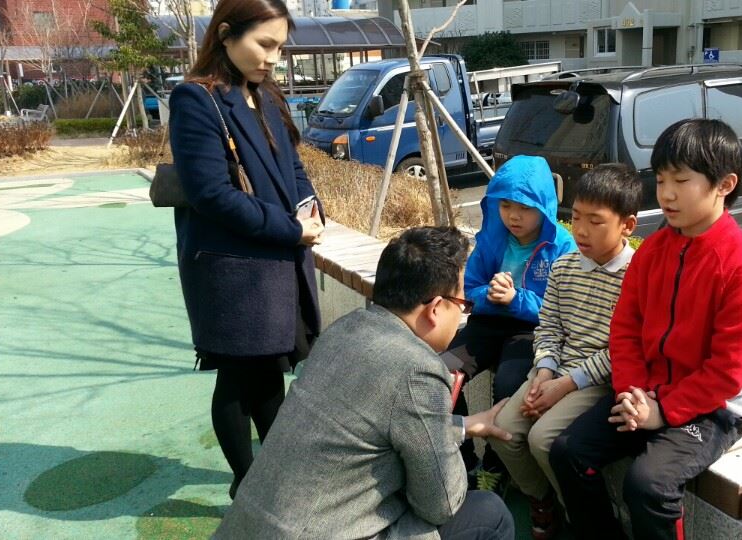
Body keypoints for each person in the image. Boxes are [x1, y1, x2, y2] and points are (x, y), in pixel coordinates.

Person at [549, 119, 742, 540]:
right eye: (660, 179)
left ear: (724, 185)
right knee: (568, 451)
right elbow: (626, 330)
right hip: (647, 389)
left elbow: (729, 371)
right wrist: (631, 392)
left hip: (714, 408)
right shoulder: (653, 250)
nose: (666, 193)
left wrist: (664, 411)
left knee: (648, 484)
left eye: (681, 180)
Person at [213, 227, 515, 540]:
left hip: (249, 529)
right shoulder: (419, 369)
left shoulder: (343, 330)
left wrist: (462, 426)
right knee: (488, 512)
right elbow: (442, 504)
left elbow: (361, 430)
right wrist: (447, 446)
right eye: (463, 303)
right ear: (436, 308)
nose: (463, 310)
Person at [168, 0, 325, 500]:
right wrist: (291, 229)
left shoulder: (265, 95)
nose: (273, 58)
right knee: (239, 378)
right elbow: (211, 194)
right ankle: (248, 482)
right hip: (232, 270)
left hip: (276, 260)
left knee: (269, 371)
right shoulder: (196, 99)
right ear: (226, 34)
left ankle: (270, 478)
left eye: (279, 47)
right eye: (265, 44)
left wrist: (311, 210)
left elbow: (293, 169)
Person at [488, 164, 641, 539]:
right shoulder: (564, 266)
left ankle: (577, 515)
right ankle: (542, 500)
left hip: (596, 381)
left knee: (543, 440)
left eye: (595, 221)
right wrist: (543, 371)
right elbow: (549, 325)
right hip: (553, 369)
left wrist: (565, 384)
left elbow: (624, 348)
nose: (581, 230)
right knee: (502, 429)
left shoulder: (638, 276)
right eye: (576, 217)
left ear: (627, 225)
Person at [442, 155, 576, 489]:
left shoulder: (562, 245)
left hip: (532, 331)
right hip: (488, 321)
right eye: (505, 205)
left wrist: (516, 299)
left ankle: (494, 466)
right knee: (441, 372)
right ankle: (462, 458)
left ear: (544, 207)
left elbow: (561, 309)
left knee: (509, 384)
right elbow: (469, 288)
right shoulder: (493, 236)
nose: (513, 216)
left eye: (525, 208)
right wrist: (490, 294)